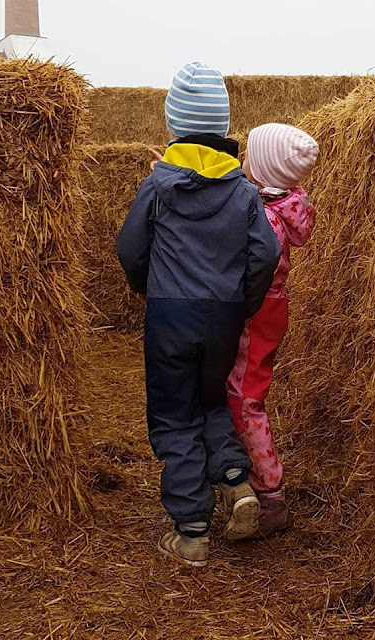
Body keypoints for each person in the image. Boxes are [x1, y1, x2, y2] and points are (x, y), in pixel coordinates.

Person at [117, 62, 281, 567]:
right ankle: (236, 482)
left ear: (173, 126)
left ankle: (191, 531)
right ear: (224, 125)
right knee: (212, 404)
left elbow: (130, 247)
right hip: (223, 316)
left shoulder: (159, 187)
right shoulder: (242, 191)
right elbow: (267, 254)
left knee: (175, 415)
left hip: (170, 314)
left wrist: (145, 285)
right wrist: (244, 302)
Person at [227, 123, 319, 537]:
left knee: (246, 399)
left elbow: (249, 265)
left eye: (250, 154)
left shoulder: (265, 217)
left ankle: (270, 494)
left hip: (258, 308)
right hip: (271, 306)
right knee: (244, 390)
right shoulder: (285, 206)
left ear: (262, 168)